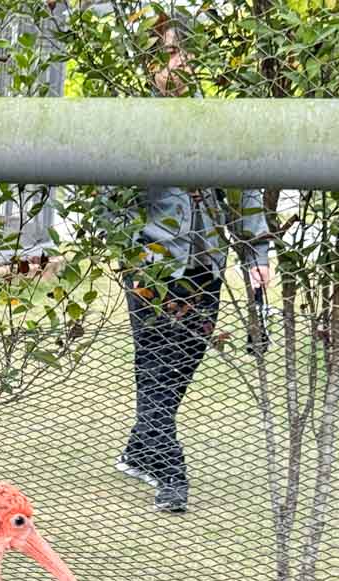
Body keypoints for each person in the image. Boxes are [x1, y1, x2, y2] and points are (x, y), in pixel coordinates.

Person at [114, 10, 271, 513]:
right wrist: (129, 250)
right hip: (150, 268)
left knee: (178, 367)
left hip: (203, 266)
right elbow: (109, 199)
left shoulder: (215, 121)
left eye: (181, 52)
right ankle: (171, 476)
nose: (174, 63)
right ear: (148, 63)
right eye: (164, 53)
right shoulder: (132, 122)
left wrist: (256, 253)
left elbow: (244, 191)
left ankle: (140, 450)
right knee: (154, 369)